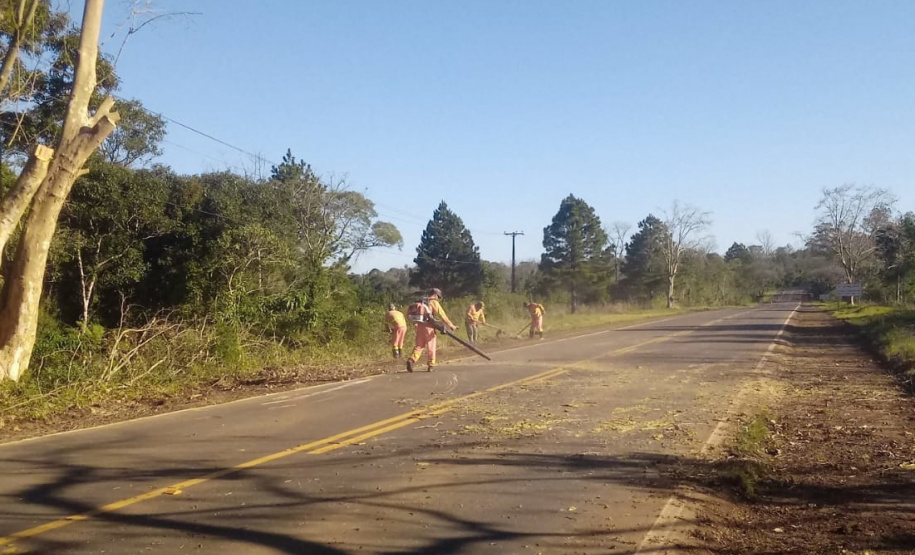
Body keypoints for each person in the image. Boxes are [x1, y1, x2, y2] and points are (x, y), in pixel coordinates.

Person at [405, 288, 456, 372]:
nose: (438, 299)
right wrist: (451, 325)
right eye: (438, 297)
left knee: (419, 346)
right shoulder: (433, 302)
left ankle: (411, 360)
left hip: (420, 327)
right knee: (431, 346)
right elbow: (442, 315)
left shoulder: (422, 301)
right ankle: (431, 365)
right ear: (436, 295)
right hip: (429, 328)